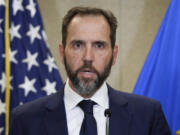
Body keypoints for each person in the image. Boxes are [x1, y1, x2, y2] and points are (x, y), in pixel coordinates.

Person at [9, 6, 171, 135]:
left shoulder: (148, 115)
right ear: (62, 53)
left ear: (114, 55)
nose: (88, 57)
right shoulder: (25, 120)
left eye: (99, 45)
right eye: (78, 45)